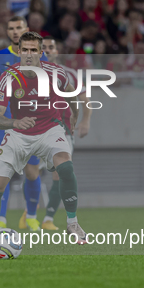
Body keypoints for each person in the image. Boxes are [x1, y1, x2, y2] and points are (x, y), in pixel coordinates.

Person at [0, 32, 87, 248]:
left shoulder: (56, 72)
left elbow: (71, 94)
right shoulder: (9, 76)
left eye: (34, 50)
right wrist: (14, 123)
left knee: (66, 166)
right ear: (19, 52)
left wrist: (75, 115)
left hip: (50, 129)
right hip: (18, 133)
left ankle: (73, 223)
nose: (29, 54)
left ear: (41, 53)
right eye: (25, 50)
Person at [0, 16, 48, 232]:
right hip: (5, 123)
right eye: (11, 28)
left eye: (19, 27)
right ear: (7, 32)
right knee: (2, 171)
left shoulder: (40, 55)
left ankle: (32, 217)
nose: (15, 31)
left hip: (33, 121)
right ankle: (0, 219)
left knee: (32, 172)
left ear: (27, 29)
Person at [39, 36, 92, 230]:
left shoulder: (69, 73)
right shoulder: (29, 74)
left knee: (60, 172)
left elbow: (85, 99)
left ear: (57, 51)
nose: (47, 50)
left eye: (50, 47)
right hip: (35, 126)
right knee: (30, 171)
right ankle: (29, 212)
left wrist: (85, 120)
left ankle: (48, 219)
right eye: (43, 47)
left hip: (62, 127)